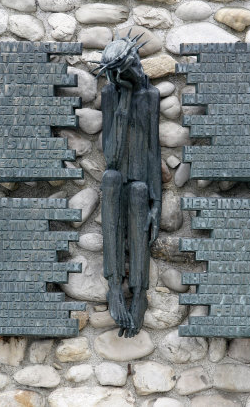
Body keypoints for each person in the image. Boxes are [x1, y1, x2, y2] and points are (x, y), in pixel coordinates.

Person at [94, 30, 162, 337]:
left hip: (140, 181)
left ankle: (139, 292)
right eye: (126, 70)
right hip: (117, 174)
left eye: (134, 63)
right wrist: (121, 104)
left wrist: (157, 205)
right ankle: (114, 289)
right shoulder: (111, 95)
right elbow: (111, 156)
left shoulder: (151, 97)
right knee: (110, 178)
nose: (135, 71)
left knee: (137, 192)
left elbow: (154, 150)